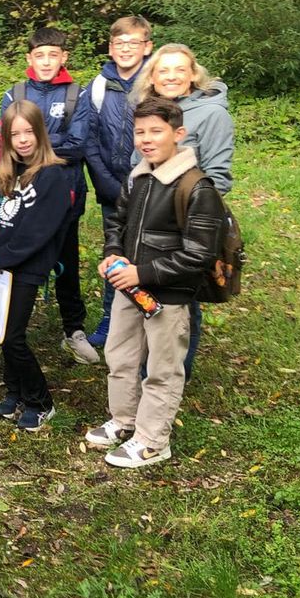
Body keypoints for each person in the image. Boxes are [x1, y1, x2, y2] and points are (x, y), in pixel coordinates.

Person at [87, 94, 225, 467]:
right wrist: (113, 253)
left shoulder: (197, 187)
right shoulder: (137, 176)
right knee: (120, 356)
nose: (146, 139)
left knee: (162, 369)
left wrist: (142, 273)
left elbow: (199, 255)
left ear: (178, 134)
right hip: (129, 290)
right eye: (139, 132)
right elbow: (117, 222)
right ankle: (124, 420)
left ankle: (152, 441)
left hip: (168, 296)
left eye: (156, 131)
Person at [130, 43, 234, 381]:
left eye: (179, 69)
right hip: (145, 219)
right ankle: (148, 366)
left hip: (183, 220)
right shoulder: (148, 110)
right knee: (148, 289)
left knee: (182, 297)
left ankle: (176, 373)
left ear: (193, 75)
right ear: (152, 76)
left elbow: (218, 176)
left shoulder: (212, 113)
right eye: (163, 70)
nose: (171, 76)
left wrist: (187, 214)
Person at [0, 28, 100, 366]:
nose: (46, 61)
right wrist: (50, 141)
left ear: (63, 57)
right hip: (22, 195)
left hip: (64, 196)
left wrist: (31, 143)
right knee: (13, 257)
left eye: (52, 55)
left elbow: (77, 145)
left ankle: (74, 329)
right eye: (39, 55)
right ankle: (2, 327)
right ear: (29, 57)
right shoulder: (15, 94)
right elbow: (8, 144)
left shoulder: (77, 95)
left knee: (66, 263)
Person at [0, 100, 75, 432]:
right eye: (15, 134)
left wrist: (1, 258)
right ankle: (16, 392)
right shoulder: (6, 174)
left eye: (28, 132)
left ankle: (40, 401)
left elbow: (38, 231)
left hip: (26, 267)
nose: (22, 140)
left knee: (13, 336)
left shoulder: (53, 176)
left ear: (40, 133)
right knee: (1, 332)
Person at [82, 16, 154, 348]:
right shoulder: (98, 86)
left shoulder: (156, 83)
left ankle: (149, 318)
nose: (126, 49)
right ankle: (111, 319)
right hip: (112, 188)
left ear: (147, 47)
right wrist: (109, 185)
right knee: (115, 253)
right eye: (120, 43)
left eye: (133, 43)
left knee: (151, 253)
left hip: (152, 188)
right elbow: (89, 140)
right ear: (111, 48)